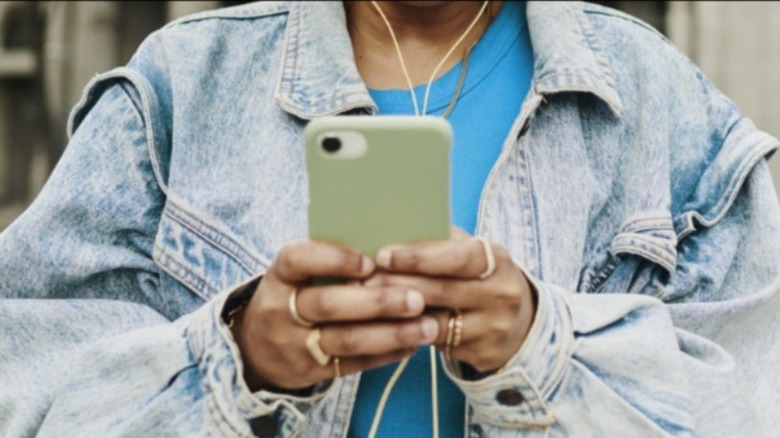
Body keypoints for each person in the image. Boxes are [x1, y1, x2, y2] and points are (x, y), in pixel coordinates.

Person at [1, 1, 778, 437]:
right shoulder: (178, 89)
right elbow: (26, 397)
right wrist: (235, 359)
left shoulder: (666, 106)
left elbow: (750, 410)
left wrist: (547, 348)